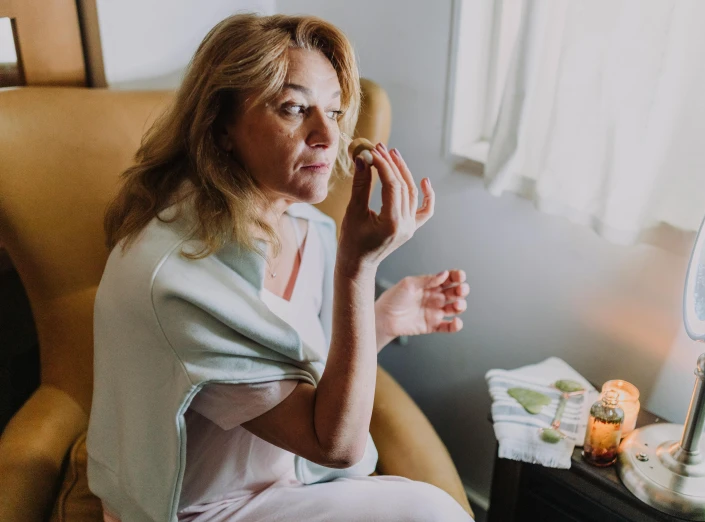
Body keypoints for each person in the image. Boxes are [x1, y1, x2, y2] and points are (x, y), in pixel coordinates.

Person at [85, 12, 473, 522]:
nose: (325, 135)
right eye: (294, 108)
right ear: (221, 127)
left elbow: (295, 369)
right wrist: (358, 268)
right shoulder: (175, 279)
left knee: (432, 510)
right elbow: (335, 445)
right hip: (202, 509)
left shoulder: (310, 231)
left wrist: (380, 320)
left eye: (334, 113)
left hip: (286, 483)